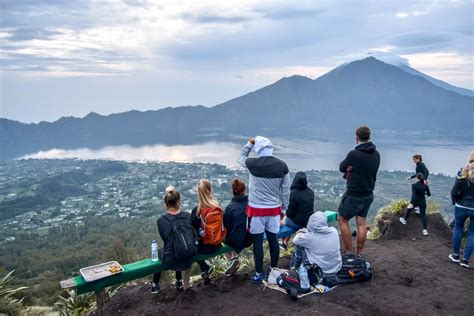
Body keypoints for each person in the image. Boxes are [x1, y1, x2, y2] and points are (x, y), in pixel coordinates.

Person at [237, 136, 291, 283]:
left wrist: (249, 143)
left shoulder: (252, 163)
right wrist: (284, 209)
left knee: (257, 242)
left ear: (258, 148)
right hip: (274, 211)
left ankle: (259, 273)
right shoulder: (282, 166)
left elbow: (240, 157)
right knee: (273, 240)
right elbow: (285, 191)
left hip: (256, 211)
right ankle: (273, 270)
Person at [338, 125, 380, 254]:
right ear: (369, 137)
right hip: (368, 193)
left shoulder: (354, 154)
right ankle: (359, 253)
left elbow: (341, 167)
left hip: (353, 194)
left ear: (356, 138)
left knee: (342, 220)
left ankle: (349, 252)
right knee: (361, 223)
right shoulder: (376, 154)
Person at [151, 186, 195, 293]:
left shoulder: (161, 220)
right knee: (178, 245)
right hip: (190, 255)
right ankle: (178, 280)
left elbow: (167, 241)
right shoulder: (187, 215)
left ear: (166, 203)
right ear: (179, 201)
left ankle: (155, 284)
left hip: (173, 259)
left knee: (159, 252)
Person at [191, 179, 226, 283]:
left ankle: (204, 267)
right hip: (217, 244)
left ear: (198, 192)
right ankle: (205, 270)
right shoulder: (217, 206)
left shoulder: (196, 212)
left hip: (203, 247)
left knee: (192, 245)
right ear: (210, 190)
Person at [291, 212, 342, 279]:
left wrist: (302, 231)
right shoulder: (333, 231)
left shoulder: (309, 237)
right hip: (336, 268)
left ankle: (293, 269)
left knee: (299, 245)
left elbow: (295, 240)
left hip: (319, 271)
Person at [448, 151, 474, 268]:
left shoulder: (462, 172)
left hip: (461, 206)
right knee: (472, 234)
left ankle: (455, 255)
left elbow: (454, 191)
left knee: (458, 229)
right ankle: (465, 261)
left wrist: (456, 201)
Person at [223, 179, 252, 275]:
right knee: (237, 234)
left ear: (233, 192)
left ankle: (233, 258)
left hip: (238, 240)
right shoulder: (251, 203)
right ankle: (233, 258)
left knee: (223, 239)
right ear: (244, 191)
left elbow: (226, 226)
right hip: (251, 237)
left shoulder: (229, 208)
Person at [280, 171, 315, 249]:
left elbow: (290, 214)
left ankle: (283, 242)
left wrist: (285, 215)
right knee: (287, 217)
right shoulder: (310, 192)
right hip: (308, 221)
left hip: (299, 223)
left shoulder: (293, 193)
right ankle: (285, 242)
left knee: (283, 218)